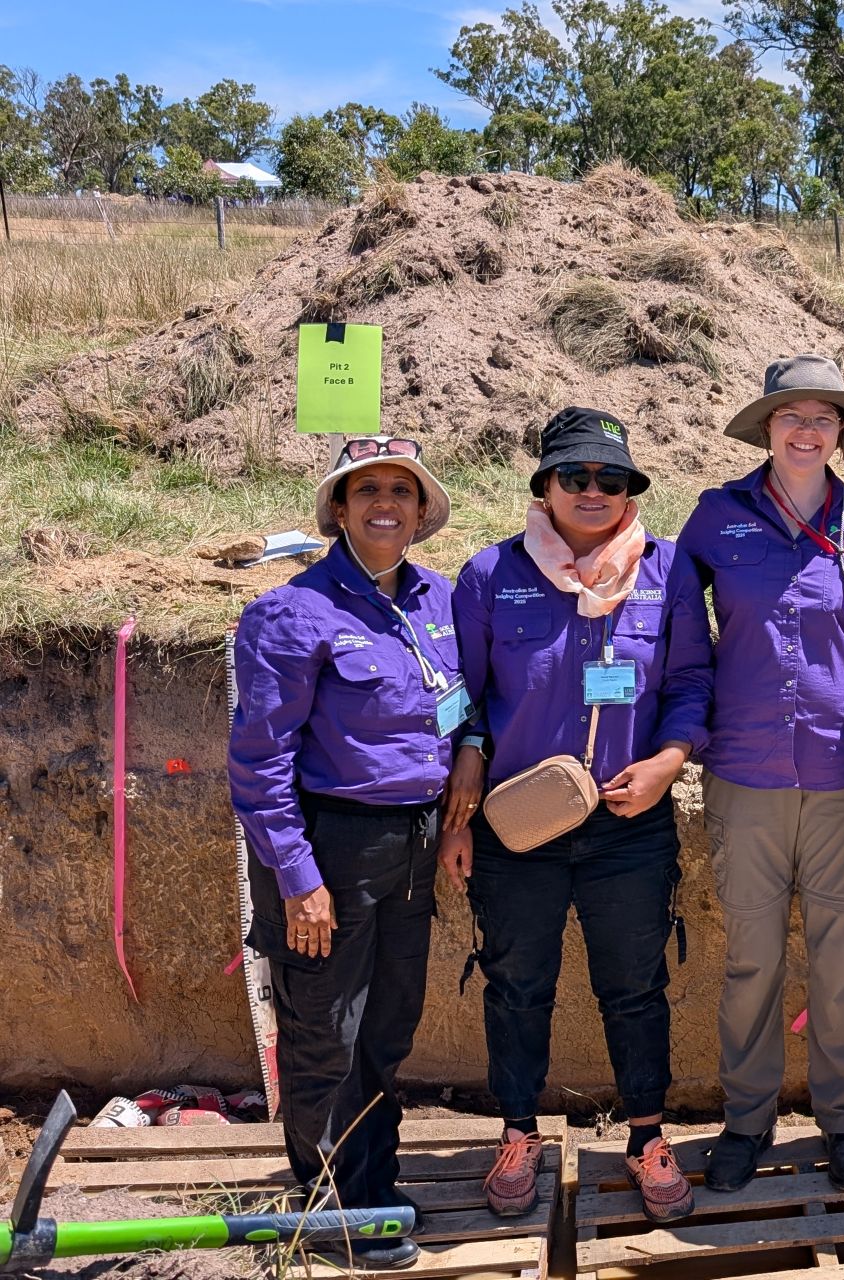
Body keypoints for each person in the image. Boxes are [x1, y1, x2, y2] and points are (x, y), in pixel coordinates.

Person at [440, 407, 712, 1225]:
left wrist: (667, 764)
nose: (594, 491)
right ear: (544, 485)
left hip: (627, 829)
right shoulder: (491, 576)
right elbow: (469, 705)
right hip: (519, 827)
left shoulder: (668, 571)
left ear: (631, 489)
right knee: (517, 984)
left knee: (634, 986)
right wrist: (459, 815)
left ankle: (646, 1136)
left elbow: (693, 686)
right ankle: (519, 1131)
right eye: (575, 477)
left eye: (611, 478)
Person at [677, 354, 844, 1194]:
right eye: (791, 416)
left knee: (843, 960)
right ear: (767, 429)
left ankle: (841, 1119)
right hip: (743, 778)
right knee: (751, 961)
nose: (807, 430)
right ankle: (747, 1122)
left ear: (842, 433)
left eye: (823, 417)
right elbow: (674, 635)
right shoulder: (715, 519)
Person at [230, 436, 462, 1272]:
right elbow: (259, 763)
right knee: (326, 1030)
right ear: (338, 508)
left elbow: (457, 713)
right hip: (328, 844)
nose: (385, 504)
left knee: (388, 1028)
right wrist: (298, 880)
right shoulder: (290, 614)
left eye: (402, 489)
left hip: (413, 844)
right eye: (366, 490)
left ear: (421, 508)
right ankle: (328, 1209)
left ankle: (374, 1181)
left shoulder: (439, 601)